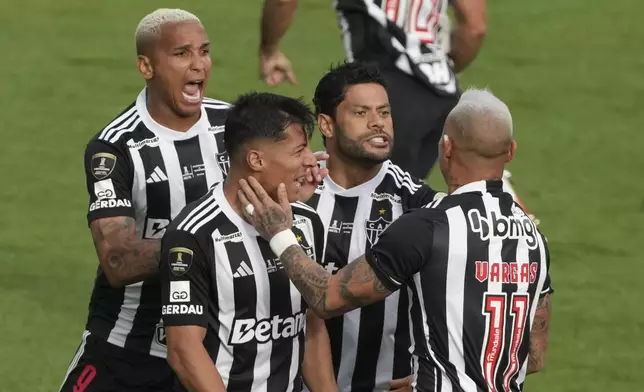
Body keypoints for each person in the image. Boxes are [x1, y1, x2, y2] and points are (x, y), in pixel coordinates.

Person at [238, 88, 553, 392]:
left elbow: (327, 298)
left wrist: (279, 234)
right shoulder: (534, 239)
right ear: (510, 151)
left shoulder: (428, 226)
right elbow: (535, 356)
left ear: (446, 147)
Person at [59, 8, 233, 392]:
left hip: (210, 354)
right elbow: (118, 261)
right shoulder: (115, 147)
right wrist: (211, 242)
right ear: (146, 66)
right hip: (127, 353)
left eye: (204, 51)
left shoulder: (235, 127)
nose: (198, 65)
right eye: (182, 53)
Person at [159, 92, 336, 392]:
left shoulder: (307, 223)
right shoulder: (193, 235)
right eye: (299, 151)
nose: (311, 161)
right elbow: (184, 350)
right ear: (256, 159)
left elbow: (312, 328)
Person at [305, 62, 442, 392]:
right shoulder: (296, 191)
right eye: (361, 113)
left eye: (384, 112)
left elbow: (462, 295)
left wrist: (429, 379)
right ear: (327, 124)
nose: (378, 122)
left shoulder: (418, 204)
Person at [258, 0, 486, 180]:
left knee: (344, 197)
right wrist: (440, 68)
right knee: (399, 203)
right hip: (443, 99)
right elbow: (475, 27)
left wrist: (270, 48)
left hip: (380, 95)